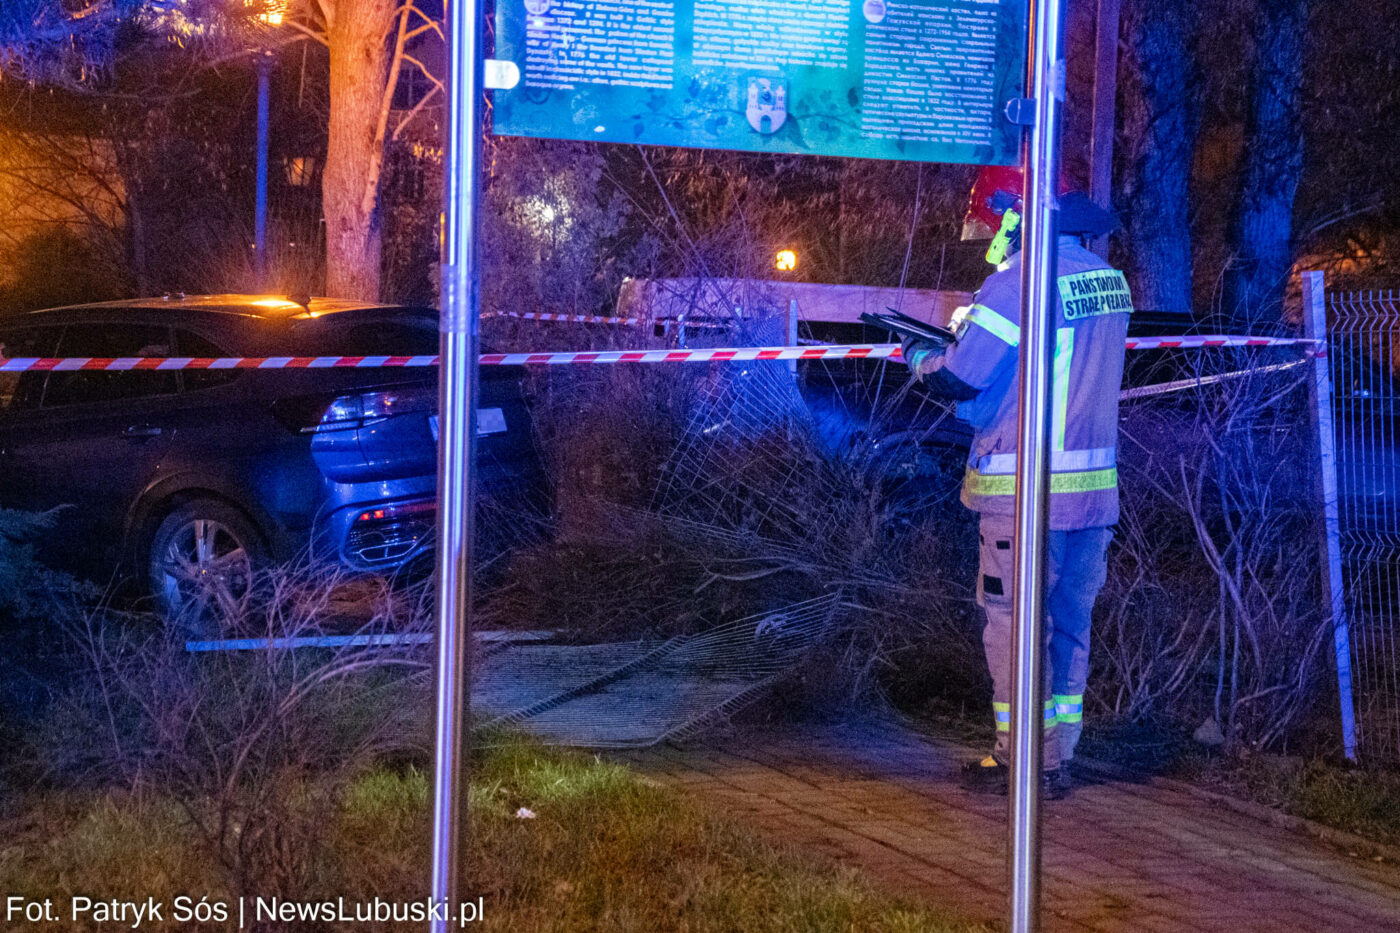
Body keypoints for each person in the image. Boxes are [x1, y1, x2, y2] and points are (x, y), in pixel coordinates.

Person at [901, 167, 1132, 798]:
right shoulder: (1109, 283)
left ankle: (1022, 760)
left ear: (1016, 215)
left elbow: (962, 380)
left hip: (1023, 497)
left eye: (992, 223)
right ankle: (1058, 754)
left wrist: (918, 357)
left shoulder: (1015, 286)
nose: (989, 240)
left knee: (1013, 625)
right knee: (1068, 623)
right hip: (1093, 497)